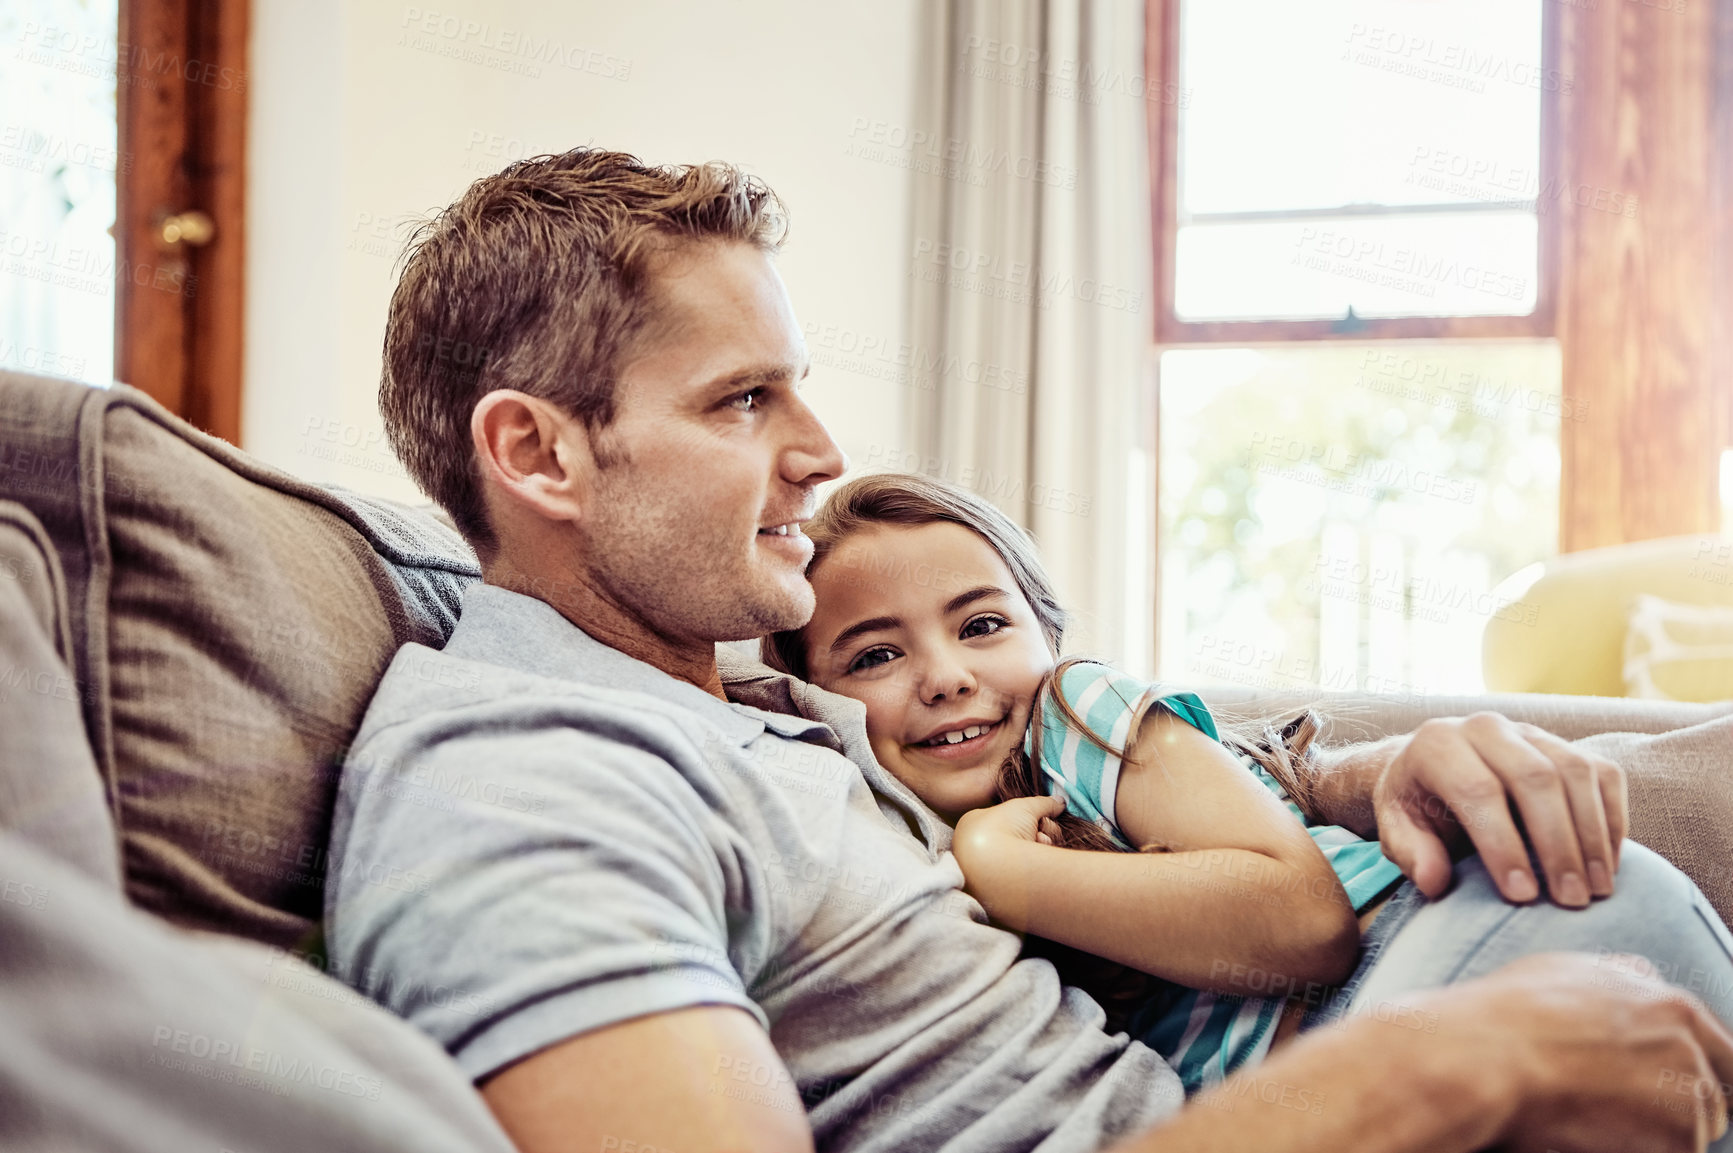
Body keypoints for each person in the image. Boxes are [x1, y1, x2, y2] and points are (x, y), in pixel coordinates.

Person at [323, 147, 1733, 1153]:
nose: (819, 455)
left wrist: (1369, 777)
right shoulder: (518, 779)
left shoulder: (747, 698)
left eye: (797, 389)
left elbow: (1109, 781)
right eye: (744, 400)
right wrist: (1437, 1073)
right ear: (539, 453)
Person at [764, 470, 1733, 1096]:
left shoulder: (1079, 717)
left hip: (1510, 941)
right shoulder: (873, 839)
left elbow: (1299, 923)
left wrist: (1004, 871)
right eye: (875, 654)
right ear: (816, 698)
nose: (943, 674)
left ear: (1047, 636)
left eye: (980, 625)